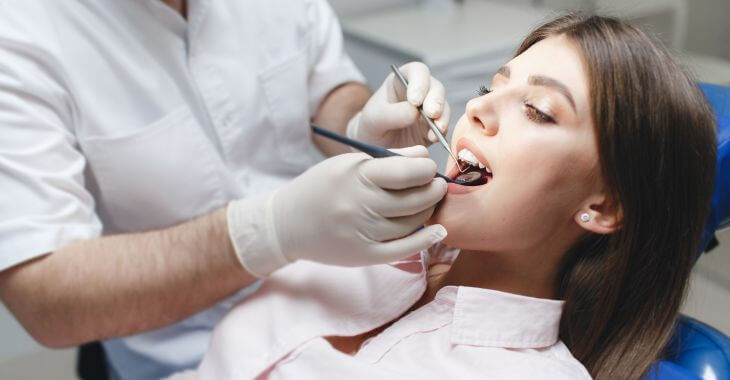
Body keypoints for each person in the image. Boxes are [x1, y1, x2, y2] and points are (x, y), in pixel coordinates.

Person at [189, 14, 717, 380]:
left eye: (537, 109)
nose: (477, 110)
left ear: (603, 206)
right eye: (491, 89)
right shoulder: (369, 246)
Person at [0, 0, 452, 378]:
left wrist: (361, 121)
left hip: (333, 309)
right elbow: (44, 297)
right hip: (180, 353)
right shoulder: (20, 36)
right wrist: (267, 231)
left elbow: (326, 83)